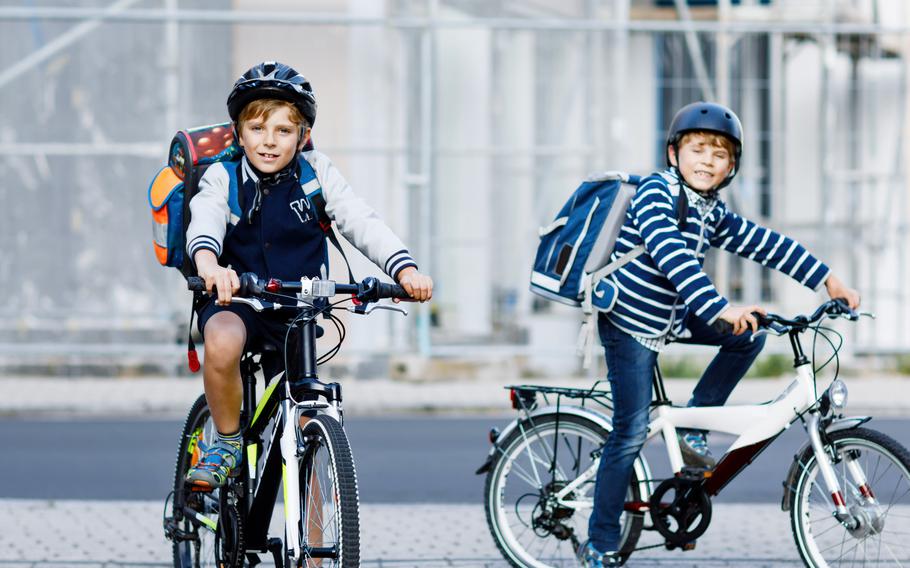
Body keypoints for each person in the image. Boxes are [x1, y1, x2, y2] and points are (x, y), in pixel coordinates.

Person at [578, 101, 860, 567]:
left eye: (721, 154)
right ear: (674, 154)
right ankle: (600, 542)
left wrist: (827, 280)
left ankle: (691, 430)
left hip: (669, 314)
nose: (708, 160)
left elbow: (763, 241)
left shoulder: (708, 207)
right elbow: (675, 259)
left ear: (731, 167)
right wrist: (720, 308)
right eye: (698, 149)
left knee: (748, 334)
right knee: (629, 433)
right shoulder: (655, 193)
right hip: (630, 320)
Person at [184, 61, 433, 489]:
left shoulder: (316, 173)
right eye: (258, 129)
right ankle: (225, 441)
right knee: (222, 341)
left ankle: (318, 556)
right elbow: (204, 222)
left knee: (308, 425)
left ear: (302, 137)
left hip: (297, 308)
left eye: (283, 131)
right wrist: (210, 267)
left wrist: (404, 268)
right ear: (239, 133)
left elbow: (360, 221)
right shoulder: (223, 177)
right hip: (236, 299)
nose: (269, 142)